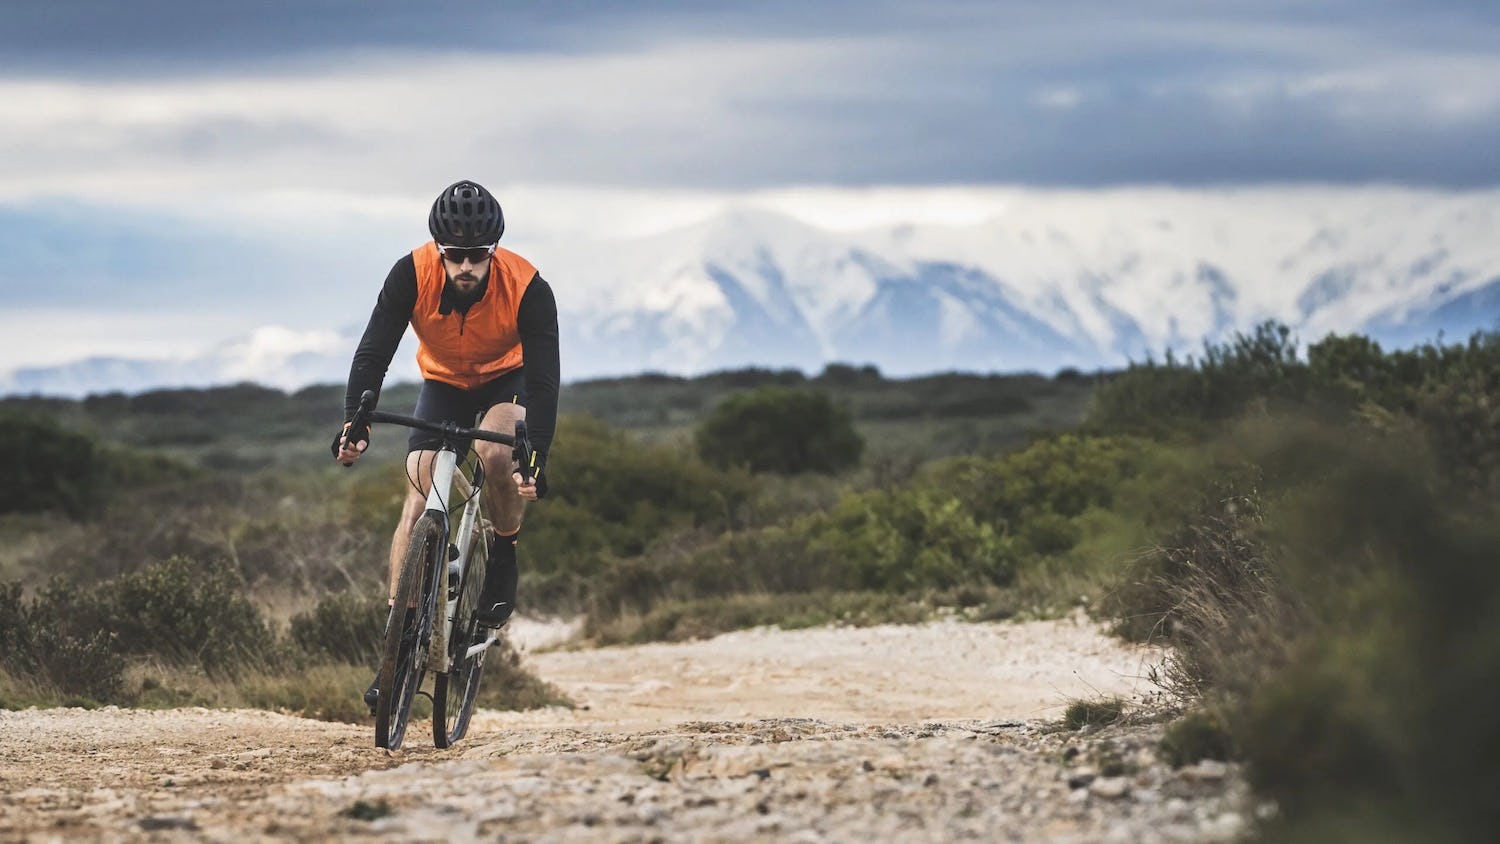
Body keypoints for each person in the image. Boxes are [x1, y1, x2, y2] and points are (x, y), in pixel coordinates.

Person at [331, 180, 559, 712]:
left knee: (497, 453)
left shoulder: (527, 287)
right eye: (454, 256)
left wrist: (536, 453)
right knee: (418, 489)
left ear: (492, 252)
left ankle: (504, 551)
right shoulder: (410, 274)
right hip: (443, 385)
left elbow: (545, 382)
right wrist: (355, 422)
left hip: (509, 382)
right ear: (439, 250)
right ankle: (398, 643)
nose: (465, 268)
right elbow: (373, 352)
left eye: (476, 257)